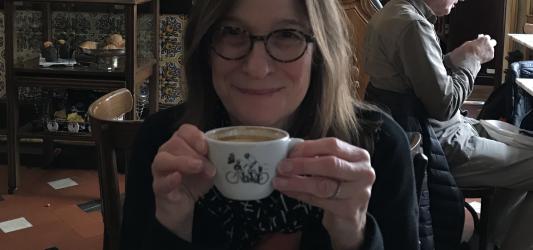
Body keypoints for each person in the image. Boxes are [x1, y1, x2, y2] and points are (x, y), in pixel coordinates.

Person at [120, 0, 420, 249]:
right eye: (231, 31)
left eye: (287, 35)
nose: (256, 68)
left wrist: (354, 235)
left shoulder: (378, 148)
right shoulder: (162, 145)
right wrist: (173, 224)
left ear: (321, 50)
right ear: (204, 47)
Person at [364, 0, 533, 249]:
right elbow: (444, 105)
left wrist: (455, 57)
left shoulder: (393, 12)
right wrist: (473, 60)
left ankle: (494, 236)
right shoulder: (412, 25)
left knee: (521, 141)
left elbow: (417, 77)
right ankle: (506, 241)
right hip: (440, 143)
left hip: (434, 131)